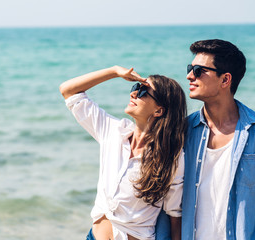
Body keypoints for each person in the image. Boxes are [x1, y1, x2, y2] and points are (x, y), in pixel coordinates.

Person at [155, 39, 255, 239]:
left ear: (225, 80)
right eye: (190, 68)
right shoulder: (181, 132)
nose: (189, 76)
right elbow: (167, 206)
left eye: (199, 70)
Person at [59, 66, 187, 240]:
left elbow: (174, 214)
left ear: (159, 111)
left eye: (143, 92)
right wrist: (114, 72)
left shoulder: (171, 158)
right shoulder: (113, 132)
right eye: (136, 88)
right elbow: (68, 91)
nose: (133, 94)